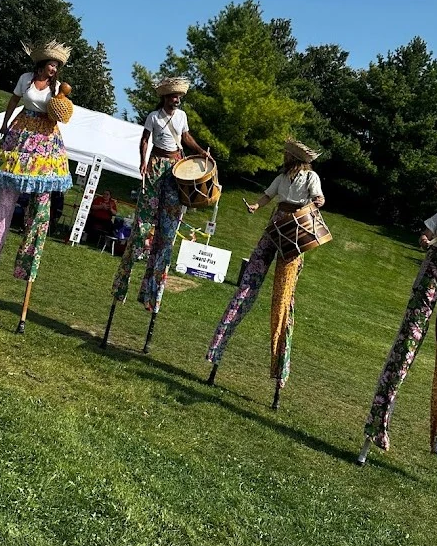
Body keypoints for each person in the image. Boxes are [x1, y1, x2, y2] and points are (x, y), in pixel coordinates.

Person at [356, 168, 437, 492]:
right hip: (432, 271)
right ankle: (377, 426)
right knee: (407, 343)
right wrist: (429, 242)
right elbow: (424, 237)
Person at [205, 139, 325, 408]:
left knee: (283, 299)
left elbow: (319, 198)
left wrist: (317, 202)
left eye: (286, 154)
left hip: (296, 230)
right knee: (248, 282)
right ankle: (217, 351)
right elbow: (268, 196)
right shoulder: (281, 178)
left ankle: (279, 371)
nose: (283, 156)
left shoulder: (311, 177)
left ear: (294, 158)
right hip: (275, 225)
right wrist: (256, 206)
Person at [0, 40, 74, 333]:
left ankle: (27, 271)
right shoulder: (25, 79)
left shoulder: (57, 88)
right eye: (51, 64)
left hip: (45, 141)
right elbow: (14, 101)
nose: (54, 69)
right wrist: (5, 123)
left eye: (57, 66)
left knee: (39, 211)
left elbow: (62, 115)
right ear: (42, 64)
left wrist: (59, 98)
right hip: (20, 134)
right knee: (3, 204)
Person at [106, 77, 211, 350]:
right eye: (173, 97)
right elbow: (145, 140)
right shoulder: (153, 116)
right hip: (156, 164)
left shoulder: (182, 116)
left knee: (168, 230)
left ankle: (152, 293)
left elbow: (185, 138)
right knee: (144, 223)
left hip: (175, 167)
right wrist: (142, 162)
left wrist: (201, 151)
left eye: (178, 97)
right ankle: (126, 276)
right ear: (165, 97)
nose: (176, 100)